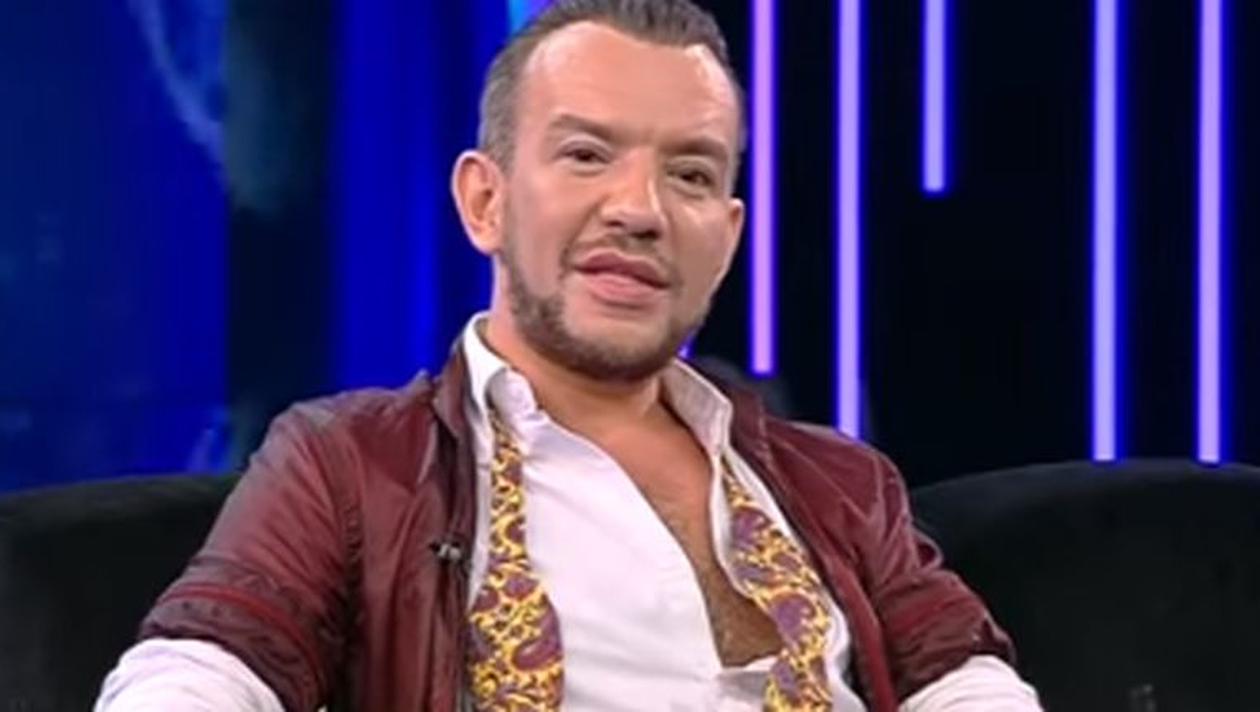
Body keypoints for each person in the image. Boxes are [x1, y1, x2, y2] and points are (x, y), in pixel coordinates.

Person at [96, 1, 1042, 709]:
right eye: (588, 155)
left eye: (690, 173)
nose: (640, 210)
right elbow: (202, 667)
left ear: (727, 236)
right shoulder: (349, 465)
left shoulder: (838, 482)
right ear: (485, 202)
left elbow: (962, 677)